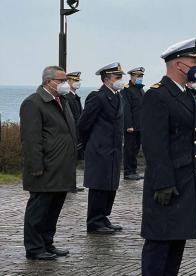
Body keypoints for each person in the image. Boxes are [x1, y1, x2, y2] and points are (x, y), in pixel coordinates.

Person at [140, 38, 196, 276]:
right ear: (179, 64)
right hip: (168, 183)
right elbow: (154, 144)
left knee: (177, 239)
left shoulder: (186, 94)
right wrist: (163, 182)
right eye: (194, 61)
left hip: (187, 180)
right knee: (160, 242)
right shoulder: (157, 95)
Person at [20, 66, 77, 260]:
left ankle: (47, 243)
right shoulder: (33, 103)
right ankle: (35, 248)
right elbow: (31, 139)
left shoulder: (63, 101)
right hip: (44, 169)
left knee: (53, 211)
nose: (65, 84)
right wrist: (36, 167)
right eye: (61, 81)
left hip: (61, 167)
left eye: (65, 80)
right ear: (48, 82)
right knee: (38, 211)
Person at [78, 62, 125, 235]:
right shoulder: (97, 97)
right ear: (107, 79)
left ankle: (103, 217)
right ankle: (94, 222)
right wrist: (91, 143)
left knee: (110, 185)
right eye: (117, 77)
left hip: (113, 149)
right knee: (98, 186)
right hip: (99, 149)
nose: (120, 80)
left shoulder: (118, 96)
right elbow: (84, 124)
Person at [120, 67, 145, 180]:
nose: (140, 78)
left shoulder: (141, 89)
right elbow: (126, 109)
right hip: (131, 126)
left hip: (140, 125)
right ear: (132, 76)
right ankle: (128, 171)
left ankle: (134, 170)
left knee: (135, 149)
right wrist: (129, 125)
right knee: (129, 149)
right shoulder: (126, 90)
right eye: (138, 76)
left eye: (141, 76)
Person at [64, 71, 85, 192]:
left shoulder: (74, 97)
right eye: (75, 81)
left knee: (73, 161)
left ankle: (71, 184)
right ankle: (68, 185)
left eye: (78, 81)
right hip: (72, 133)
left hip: (77, 132)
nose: (77, 83)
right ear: (69, 82)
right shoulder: (68, 97)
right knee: (69, 161)